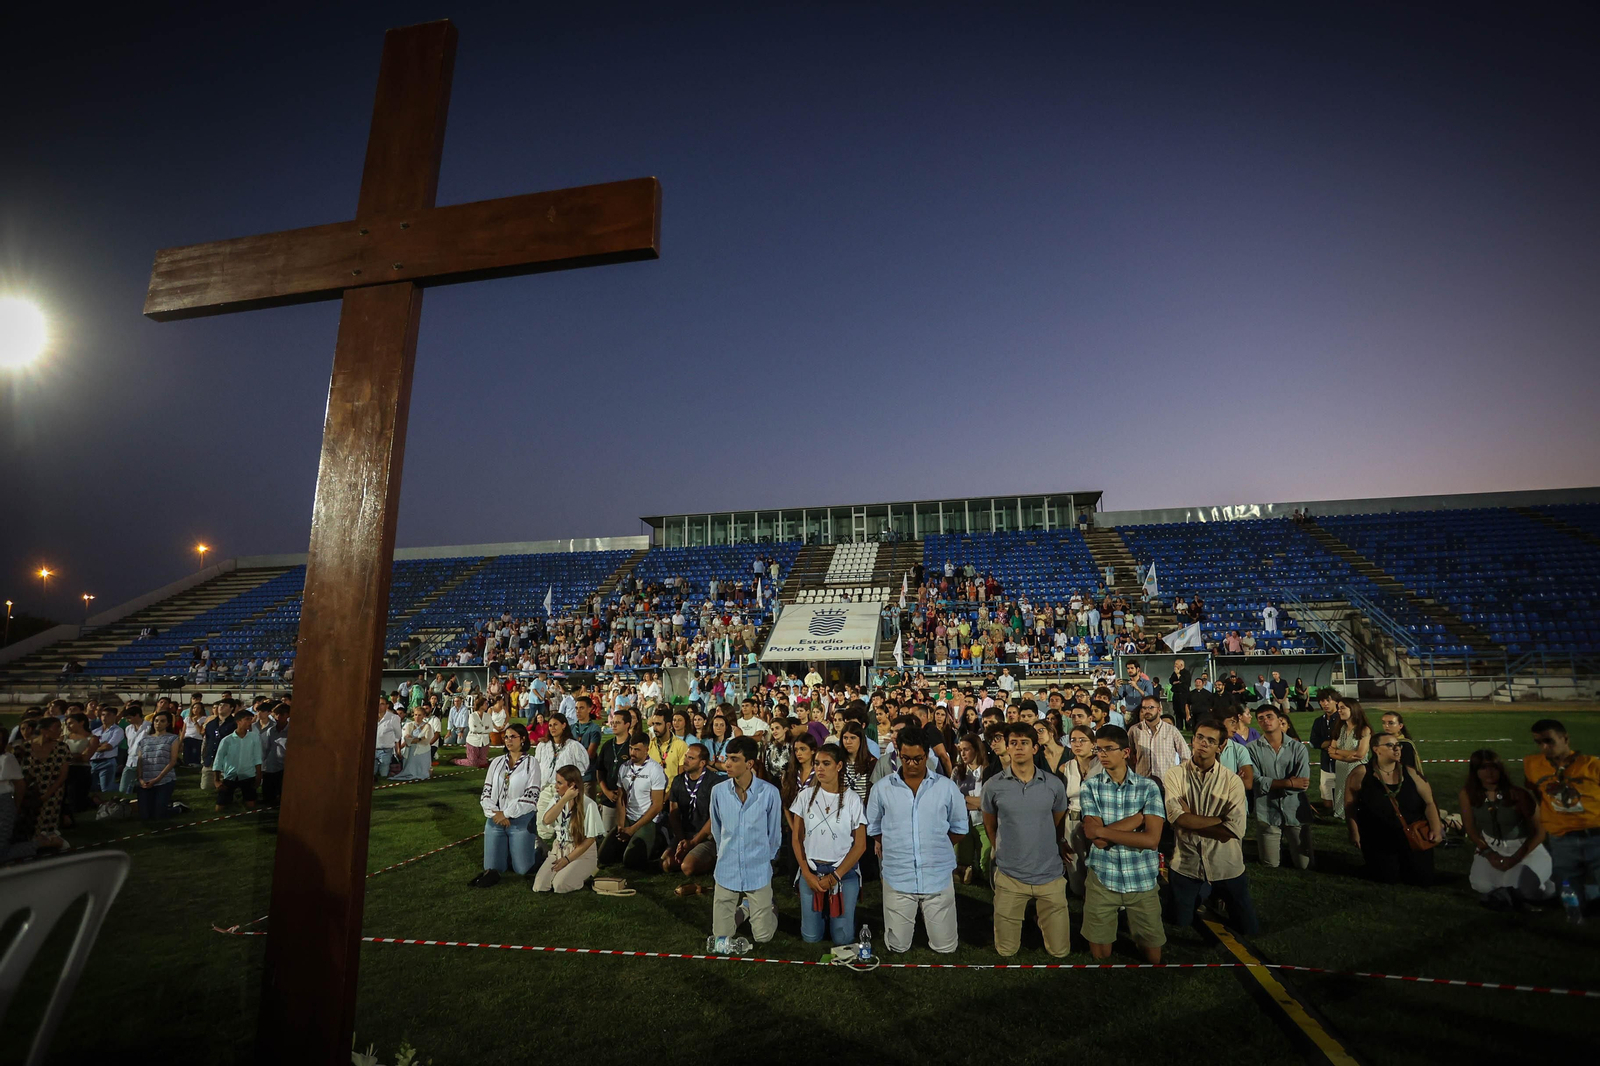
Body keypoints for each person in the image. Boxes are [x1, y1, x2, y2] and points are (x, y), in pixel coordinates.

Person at [866, 734, 967, 954]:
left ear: (927, 755)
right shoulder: (882, 788)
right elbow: (874, 829)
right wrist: (898, 846)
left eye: (917, 758)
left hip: (937, 875)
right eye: (906, 758)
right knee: (897, 946)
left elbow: (960, 828)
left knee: (946, 947)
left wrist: (935, 845)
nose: (911, 764)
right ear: (899, 755)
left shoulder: (946, 788)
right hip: (898, 876)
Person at [982, 723, 1070, 957]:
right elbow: (990, 825)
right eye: (1013, 743)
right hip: (1010, 875)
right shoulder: (992, 786)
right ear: (1007, 748)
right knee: (1006, 950)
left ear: (1035, 748)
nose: (1018, 747)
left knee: (1060, 951)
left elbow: (1058, 823)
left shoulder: (1054, 784)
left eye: (1024, 743)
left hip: (1049, 874)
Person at [1079, 725, 1165, 962]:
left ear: (1126, 752)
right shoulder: (1090, 786)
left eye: (1109, 749)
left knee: (1153, 956)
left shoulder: (1148, 787)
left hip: (1142, 877)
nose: (1102, 755)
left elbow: (1151, 840)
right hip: (1102, 876)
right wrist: (1137, 819)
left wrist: (1103, 830)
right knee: (1101, 955)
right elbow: (1097, 841)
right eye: (1099, 749)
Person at [1165, 719, 1259, 934]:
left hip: (1226, 864)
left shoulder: (1232, 781)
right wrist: (1218, 820)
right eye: (1199, 737)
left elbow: (1234, 831)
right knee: (1177, 923)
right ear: (1192, 741)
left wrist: (1190, 818)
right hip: (1187, 864)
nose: (1203, 743)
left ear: (1220, 746)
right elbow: (1177, 818)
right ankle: (1203, 893)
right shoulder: (1175, 774)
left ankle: (1209, 892)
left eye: (1210, 740)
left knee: (1249, 929)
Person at [708, 736, 784, 949]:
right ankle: (745, 909)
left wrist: (764, 860)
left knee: (763, 937)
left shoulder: (769, 793)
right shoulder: (718, 792)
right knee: (721, 936)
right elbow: (717, 830)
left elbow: (774, 834)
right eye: (727, 758)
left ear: (749, 764)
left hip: (758, 871)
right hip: (727, 869)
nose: (727, 764)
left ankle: (769, 906)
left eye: (734, 759)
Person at [790, 743, 868, 946]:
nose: (820, 768)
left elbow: (860, 845)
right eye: (817, 763)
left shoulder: (852, 800)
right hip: (812, 870)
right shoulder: (805, 796)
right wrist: (806, 874)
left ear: (839, 766)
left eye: (826, 763)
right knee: (811, 937)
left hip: (843, 872)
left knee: (843, 939)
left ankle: (840, 915)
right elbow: (797, 838)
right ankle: (822, 914)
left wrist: (835, 876)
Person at [1345, 731, 1443, 885]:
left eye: (1398, 745)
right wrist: (1354, 832)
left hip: (1411, 835)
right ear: (1376, 749)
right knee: (1386, 878)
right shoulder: (1361, 773)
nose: (1397, 749)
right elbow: (1350, 805)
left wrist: (1436, 829)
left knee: (1422, 879)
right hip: (1379, 837)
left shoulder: (1411, 773)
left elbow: (1430, 802)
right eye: (1390, 745)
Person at [1460, 749, 1554, 908]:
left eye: (1493, 767)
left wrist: (1515, 858)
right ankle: (1525, 884)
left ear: (1500, 769)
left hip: (1524, 848)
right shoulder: (1467, 794)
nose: (1489, 772)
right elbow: (1471, 829)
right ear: (1475, 771)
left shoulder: (1518, 794)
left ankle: (1547, 886)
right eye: (1483, 768)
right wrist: (1488, 853)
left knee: (1515, 886)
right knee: (1481, 885)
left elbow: (1540, 832)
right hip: (1490, 847)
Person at [1524, 718, 1600, 906]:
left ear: (1565, 738)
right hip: (1561, 837)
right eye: (1538, 742)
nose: (1543, 747)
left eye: (1549, 741)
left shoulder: (1591, 765)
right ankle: (1575, 919)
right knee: (1567, 884)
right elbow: (1536, 792)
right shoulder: (1532, 764)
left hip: (1596, 835)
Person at [1247, 706, 1313, 870]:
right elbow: (1254, 781)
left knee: (1304, 864)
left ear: (1279, 719)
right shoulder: (1251, 749)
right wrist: (1289, 783)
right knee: (1270, 864)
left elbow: (1303, 782)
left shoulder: (1298, 748)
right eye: (1261, 718)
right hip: (1268, 811)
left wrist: (1268, 784)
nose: (1265, 721)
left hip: (1295, 810)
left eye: (1269, 716)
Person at [473, 723, 539, 887]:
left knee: (523, 869)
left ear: (523, 739)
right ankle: (509, 851)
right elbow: (486, 792)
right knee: (493, 868)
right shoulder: (496, 762)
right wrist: (494, 813)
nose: (508, 740)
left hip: (521, 819)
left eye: (513, 737)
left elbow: (531, 796)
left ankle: (539, 852)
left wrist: (507, 813)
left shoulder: (532, 763)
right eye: (506, 737)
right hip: (496, 818)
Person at [662, 742, 726, 888]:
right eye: (686, 757)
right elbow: (674, 812)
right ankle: (690, 853)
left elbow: (714, 818)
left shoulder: (714, 783)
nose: (686, 760)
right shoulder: (678, 781)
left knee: (687, 867)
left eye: (691, 758)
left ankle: (716, 859)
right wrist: (681, 840)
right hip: (685, 834)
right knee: (666, 864)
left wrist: (694, 842)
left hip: (707, 836)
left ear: (702, 763)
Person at [599, 733, 667, 869]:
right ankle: (630, 844)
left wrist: (633, 829)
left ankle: (657, 841)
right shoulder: (624, 767)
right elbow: (621, 797)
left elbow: (657, 805)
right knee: (603, 857)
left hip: (646, 820)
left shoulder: (655, 770)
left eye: (637, 750)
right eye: (631, 748)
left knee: (631, 862)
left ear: (647, 749)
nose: (632, 753)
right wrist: (621, 824)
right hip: (629, 817)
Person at [533, 765, 602, 893]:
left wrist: (567, 860)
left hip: (581, 853)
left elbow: (590, 839)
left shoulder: (589, 805)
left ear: (572, 785)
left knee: (560, 886)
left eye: (559, 783)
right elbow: (546, 820)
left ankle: (586, 873)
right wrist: (564, 799)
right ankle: (569, 873)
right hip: (558, 850)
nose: (555, 786)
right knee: (539, 886)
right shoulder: (557, 801)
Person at [532, 712, 591, 847]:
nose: (552, 728)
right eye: (550, 725)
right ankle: (543, 848)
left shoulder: (573, 746)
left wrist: (571, 783)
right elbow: (537, 764)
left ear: (564, 725)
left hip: (566, 789)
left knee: (566, 821)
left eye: (556, 725)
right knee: (542, 822)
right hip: (546, 787)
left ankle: (565, 846)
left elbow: (582, 766)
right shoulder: (543, 746)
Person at [17, 718, 71, 849]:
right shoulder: (24, 748)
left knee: (48, 820)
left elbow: (63, 774)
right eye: (57, 727)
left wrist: (48, 794)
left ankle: (49, 842)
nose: (60, 731)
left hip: (53, 791)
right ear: (44, 730)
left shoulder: (62, 748)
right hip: (29, 792)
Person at [952, 733, 993, 885]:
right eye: (960, 750)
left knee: (986, 863)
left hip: (983, 822)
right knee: (961, 862)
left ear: (976, 749)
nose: (962, 753)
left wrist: (965, 799)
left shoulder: (987, 771)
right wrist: (976, 802)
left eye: (966, 749)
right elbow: (954, 800)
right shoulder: (958, 772)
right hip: (964, 821)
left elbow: (987, 803)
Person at [1129, 695, 1188, 789]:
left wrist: (1178, 777)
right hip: (1142, 784)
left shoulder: (1171, 731)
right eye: (1144, 708)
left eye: (1151, 707)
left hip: (1167, 785)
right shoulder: (1135, 730)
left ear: (1159, 710)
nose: (1147, 711)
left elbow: (1186, 757)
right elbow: (1128, 756)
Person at [132, 710, 182, 819]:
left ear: (168, 724)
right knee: (145, 815)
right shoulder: (144, 739)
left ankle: (178, 809)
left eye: (162, 721)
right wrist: (140, 778)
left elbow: (173, 761)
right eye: (156, 721)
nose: (158, 723)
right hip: (145, 779)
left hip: (164, 780)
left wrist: (157, 779)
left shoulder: (172, 738)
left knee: (159, 815)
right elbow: (140, 760)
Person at [1328, 698, 1372, 819]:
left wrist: (1338, 752)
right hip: (1341, 767)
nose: (1339, 711)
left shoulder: (1364, 729)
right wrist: (1347, 757)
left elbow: (1360, 754)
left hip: (1357, 768)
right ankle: (1341, 813)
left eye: (1342, 708)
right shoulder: (1339, 728)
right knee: (1341, 789)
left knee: (1355, 791)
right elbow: (1330, 752)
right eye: (1339, 708)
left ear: (1352, 709)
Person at [213, 708, 264, 810]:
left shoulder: (254, 738)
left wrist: (258, 777)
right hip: (231, 775)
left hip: (248, 775)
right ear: (238, 721)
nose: (250, 722)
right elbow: (218, 760)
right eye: (247, 719)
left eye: (251, 719)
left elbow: (258, 758)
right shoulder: (227, 740)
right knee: (219, 808)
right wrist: (216, 780)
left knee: (251, 806)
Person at [1307, 689, 1341, 813]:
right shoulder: (1319, 721)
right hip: (1326, 765)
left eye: (1328, 700)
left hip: (1342, 763)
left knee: (1344, 800)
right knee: (1328, 804)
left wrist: (1331, 743)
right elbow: (1313, 742)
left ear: (1336, 701)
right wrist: (1329, 743)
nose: (1325, 703)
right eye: (1322, 701)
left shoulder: (1343, 720)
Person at [389, 706, 436, 781]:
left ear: (423, 716)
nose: (417, 717)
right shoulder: (409, 725)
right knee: (410, 769)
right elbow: (407, 739)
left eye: (419, 715)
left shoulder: (427, 726)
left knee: (422, 773)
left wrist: (413, 739)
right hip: (411, 750)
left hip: (423, 751)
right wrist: (420, 739)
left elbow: (426, 741)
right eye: (416, 715)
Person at [89, 707, 125, 795]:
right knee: (91, 787)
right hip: (93, 762)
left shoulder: (118, 731)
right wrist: (100, 745)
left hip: (107, 762)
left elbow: (109, 746)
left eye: (108, 715)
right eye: (103, 715)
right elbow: (88, 746)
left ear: (114, 716)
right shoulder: (95, 731)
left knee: (106, 789)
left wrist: (95, 747)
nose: (104, 717)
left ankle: (126, 787)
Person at [260, 703, 290, 805]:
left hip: (285, 768)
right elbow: (266, 749)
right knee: (268, 795)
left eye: (281, 714)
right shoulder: (271, 730)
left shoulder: (292, 731)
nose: (278, 717)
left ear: (288, 715)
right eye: (276, 714)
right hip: (271, 767)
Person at [453, 697, 493, 768]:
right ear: (481, 705)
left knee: (482, 762)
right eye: (486, 704)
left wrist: (479, 728)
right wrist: (484, 728)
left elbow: (490, 728)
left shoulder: (488, 716)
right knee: (473, 763)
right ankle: (456, 761)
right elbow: (473, 729)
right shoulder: (472, 716)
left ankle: (480, 761)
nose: (487, 705)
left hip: (485, 741)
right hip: (473, 741)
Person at [1379, 710, 1422, 775]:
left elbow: (1408, 767)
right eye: (1384, 723)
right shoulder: (1380, 741)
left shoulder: (1406, 744)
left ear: (1400, 726)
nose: (1386, 726)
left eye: (1391, 723)